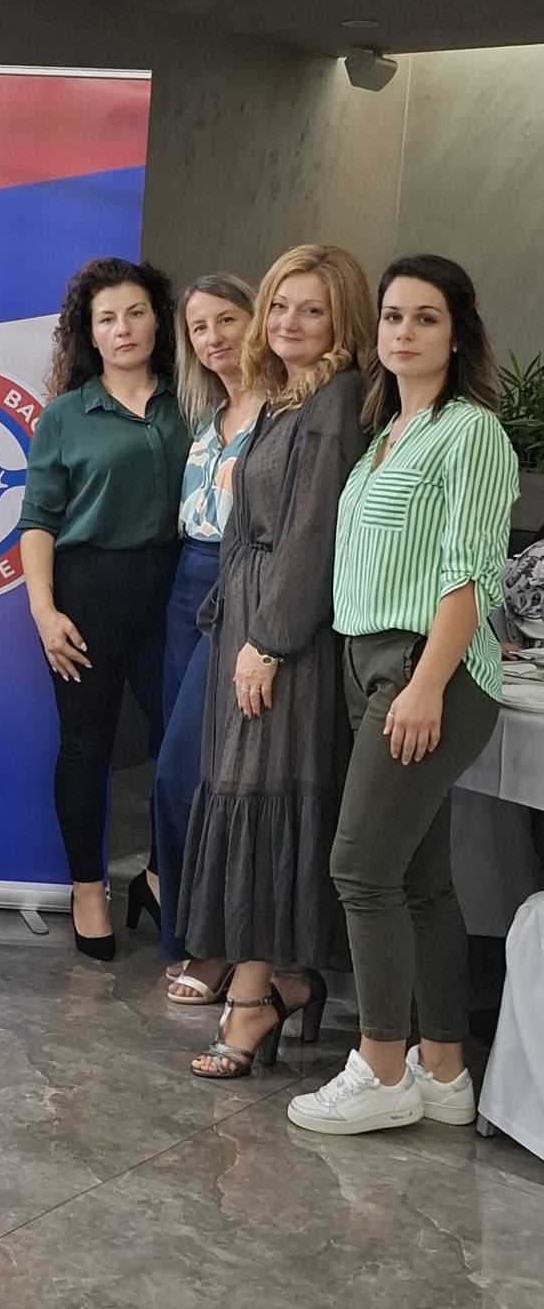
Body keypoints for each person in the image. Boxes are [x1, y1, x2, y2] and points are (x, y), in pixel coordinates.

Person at [290, 256, 518, 1134]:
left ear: (457, 333)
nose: (403, 332)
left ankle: (381, 1071)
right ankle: (443, 1069)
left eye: (425, 318)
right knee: (418, 879)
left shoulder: (470, 432)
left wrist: (425, 684)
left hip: (424, 667)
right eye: (391, 316)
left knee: (359, 867)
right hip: (368, 660)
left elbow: (468, 575)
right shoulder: (389, 430)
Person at [178, 244, 373, 1077]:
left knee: (260, 805)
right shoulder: (282, 395)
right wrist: (229, 622)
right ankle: (287, 979)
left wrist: (269, 640)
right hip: (246, 620)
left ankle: (254, 996)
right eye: (280, 305)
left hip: (283, 634)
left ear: (342, 321)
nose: (288, 322)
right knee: (240, 800)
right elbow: (243, 523)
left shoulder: (333, 400)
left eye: (311, 310)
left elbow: (310, 536)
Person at [18, 258, 188, 961]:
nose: (123, 329)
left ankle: (157, 876)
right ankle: (87, 889)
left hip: (174, 590)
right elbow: (37, 521)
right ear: (88, 333)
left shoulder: (193, 402)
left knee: (179, 743)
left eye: (136, 313)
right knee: (87, 746)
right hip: (86, 593)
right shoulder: (65, 414)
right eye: (107, 318)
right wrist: (43, 612)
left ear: (159, 321)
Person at [149, 275, 261, 1004]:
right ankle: (190, 931)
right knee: (179, 767)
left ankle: (215, 943)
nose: (213, 337)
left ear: (257, 321)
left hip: (239, 585)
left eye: (227, 320)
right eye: (198, 327)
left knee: (188, 771)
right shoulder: (206, 416)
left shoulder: (285, 414)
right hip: (185, 583)